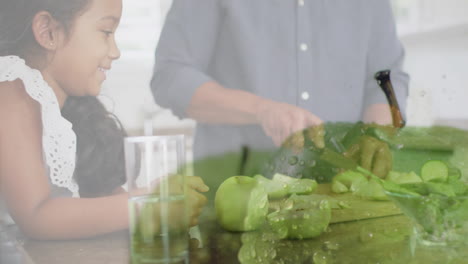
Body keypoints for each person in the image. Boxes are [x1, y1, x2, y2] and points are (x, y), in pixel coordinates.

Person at [0, 0, 208, 240]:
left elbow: (94, 205)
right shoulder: (11, 89)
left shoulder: (66, 105)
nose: (115, 51)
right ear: (48, 31)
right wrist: (145, 203)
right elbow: (37, 216)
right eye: (106, 32)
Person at [151, 0, 409, 161]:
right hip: (233, 195)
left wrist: (375, 137)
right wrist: (262, 110)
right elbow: (171, 76)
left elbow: (387, 79)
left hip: (341, 196)